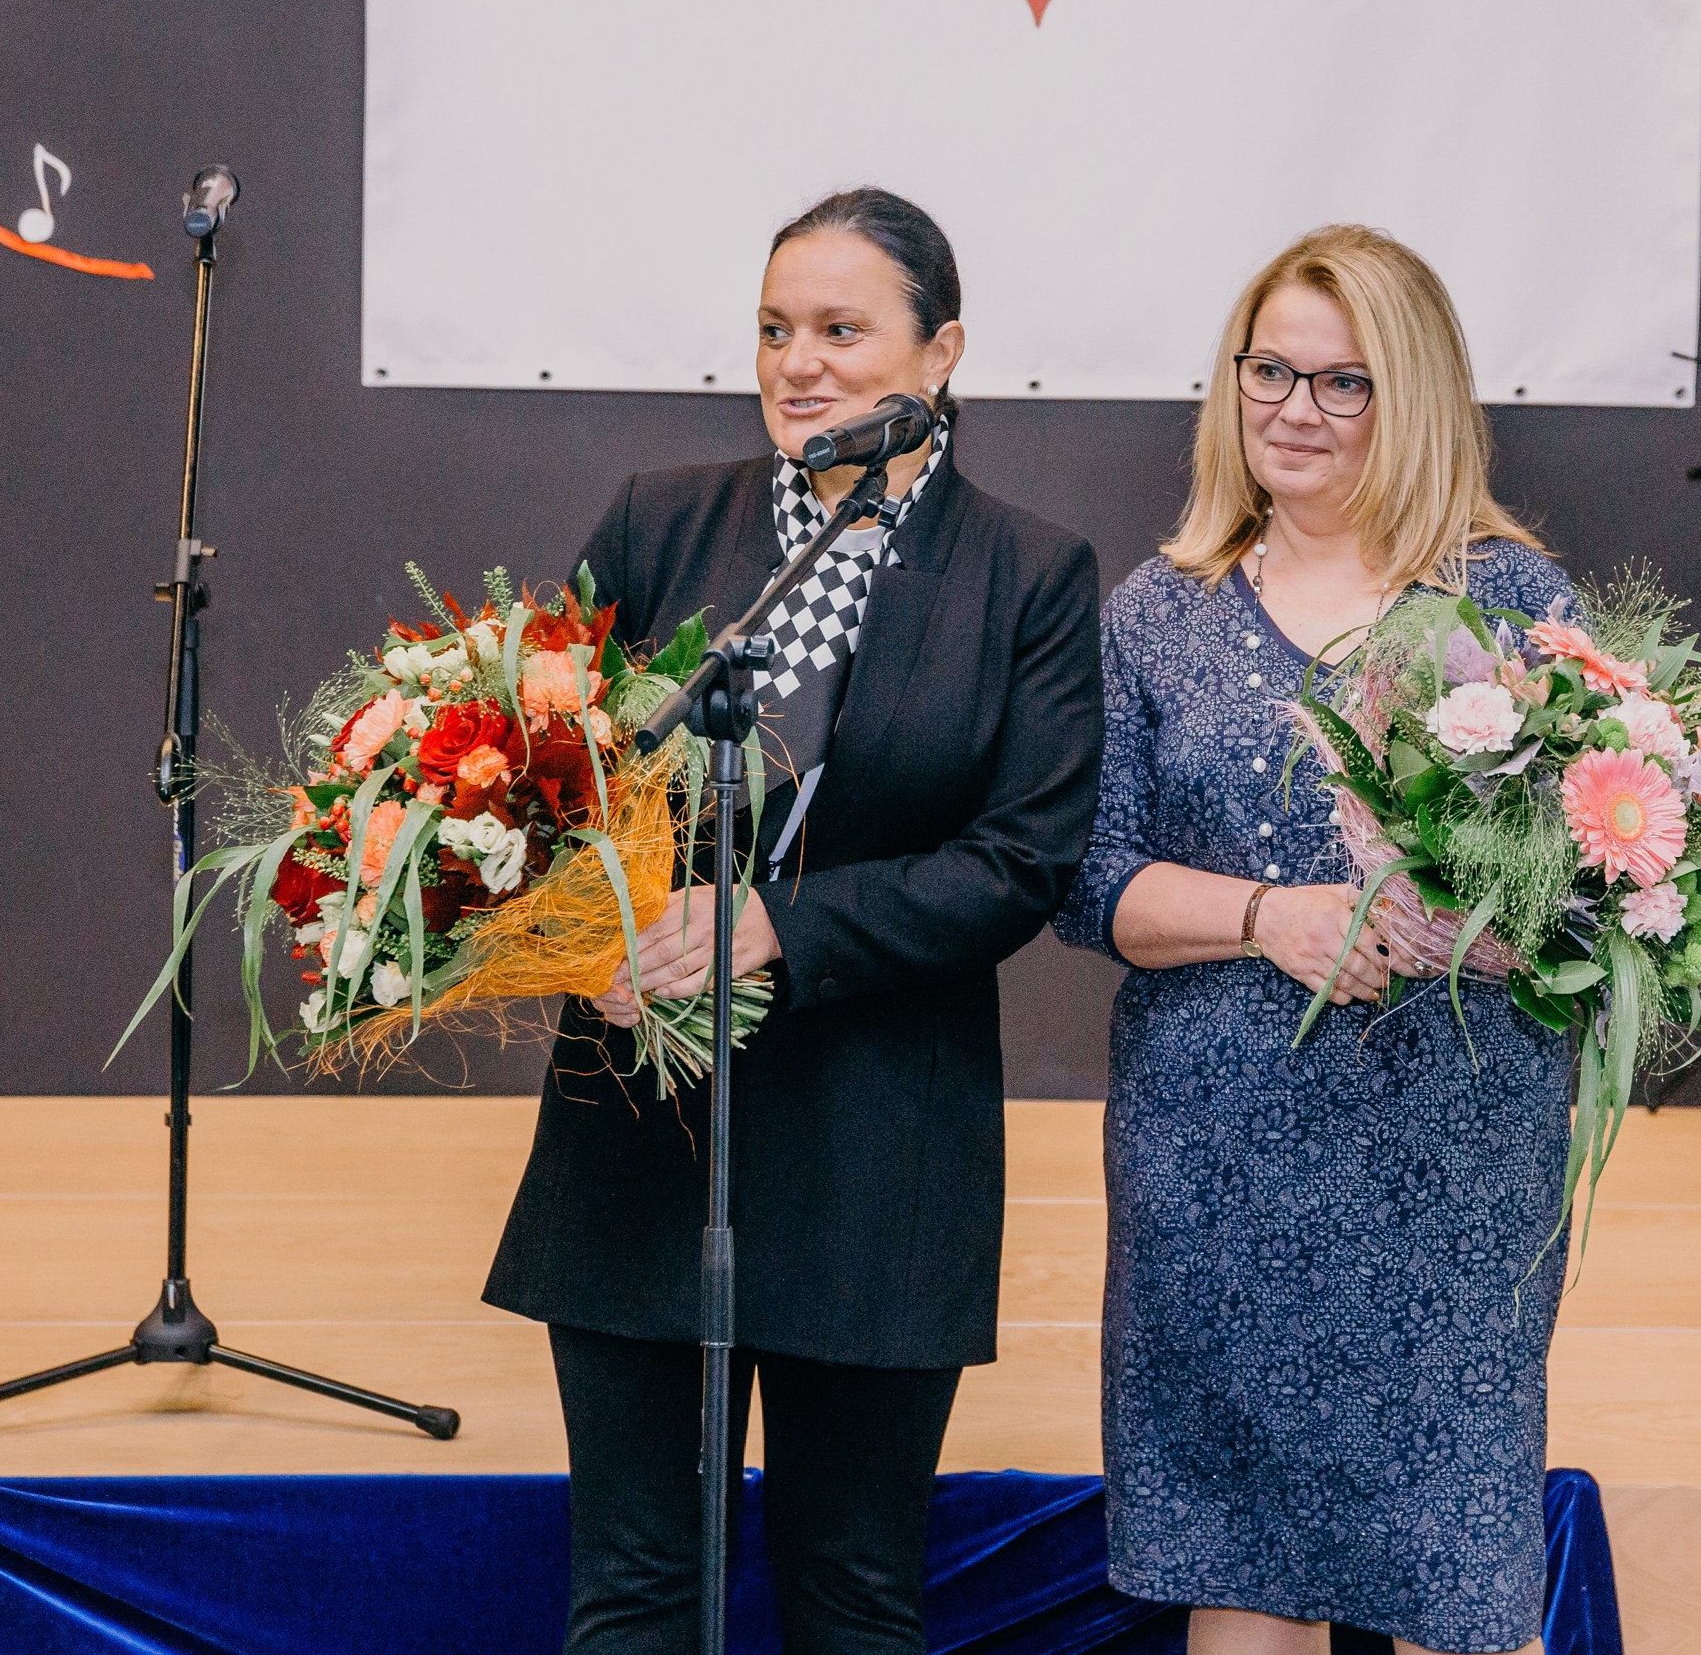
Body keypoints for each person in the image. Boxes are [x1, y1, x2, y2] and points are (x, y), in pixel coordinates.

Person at [486, 188, 1105, 1655]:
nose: (798, 364)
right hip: (643, 1128)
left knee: (853, 1596)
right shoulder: (661, 521)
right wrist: (586, 934)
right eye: (775, 329)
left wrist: (775, 924)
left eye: (840, 330)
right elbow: (537, 778)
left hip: (880, 1146)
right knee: (632, 1588)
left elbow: (1021, 860)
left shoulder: (1028, 573)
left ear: (941, 353)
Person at [1054, 226, 1573, 1655]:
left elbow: (1598, 879)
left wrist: (1469, 922)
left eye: (1343, 383)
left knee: (1454, 1590)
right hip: (1217, 1168)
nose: (1294, 408)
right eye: (1269, 370)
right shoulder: (1157, 613)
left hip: (1452, 1171)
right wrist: (1265, 915)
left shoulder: (1516, 606)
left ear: (1413, 398)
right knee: (1245, 1575)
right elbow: (1088, 880)